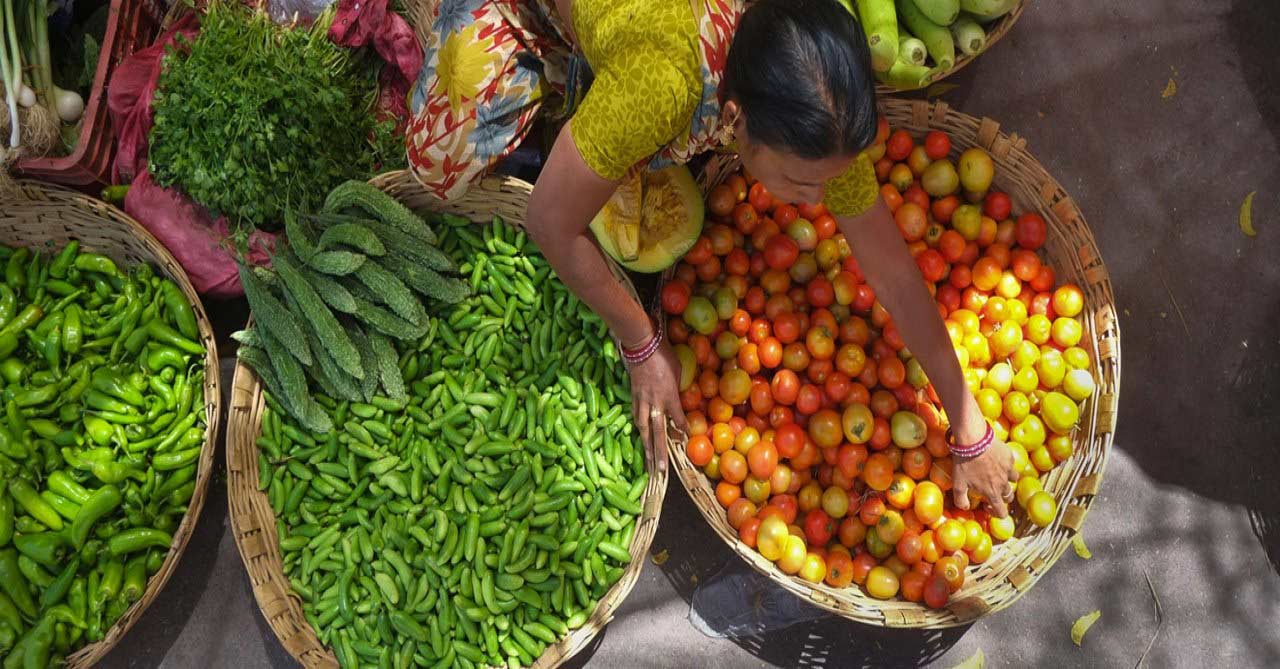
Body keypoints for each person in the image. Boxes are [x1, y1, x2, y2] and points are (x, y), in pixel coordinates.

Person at [406, 0, 1018, 515]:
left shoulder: (811, 85)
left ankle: (582, 77)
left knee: (618, 135)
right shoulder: (663, 85)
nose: (815, 202)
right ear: (733, 118)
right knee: (438, 161)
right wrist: (640, 342)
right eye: (801, 183)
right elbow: (547, 220)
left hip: (639, 43)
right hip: (557, 15)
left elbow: (887, 263)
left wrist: (967, 422)